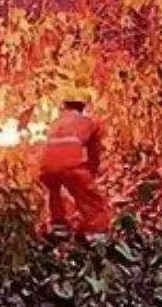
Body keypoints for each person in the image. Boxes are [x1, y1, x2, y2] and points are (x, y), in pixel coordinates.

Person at [39, 88, 111, 241]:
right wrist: (91, 173)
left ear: (64, 107)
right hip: (71, 166)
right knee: (91, 198)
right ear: (82, 107)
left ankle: (59, 225)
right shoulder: (88, 123)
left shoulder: (55, 123)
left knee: (54, 191)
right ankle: (96, 232)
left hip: (46, 167)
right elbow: (94, 154)